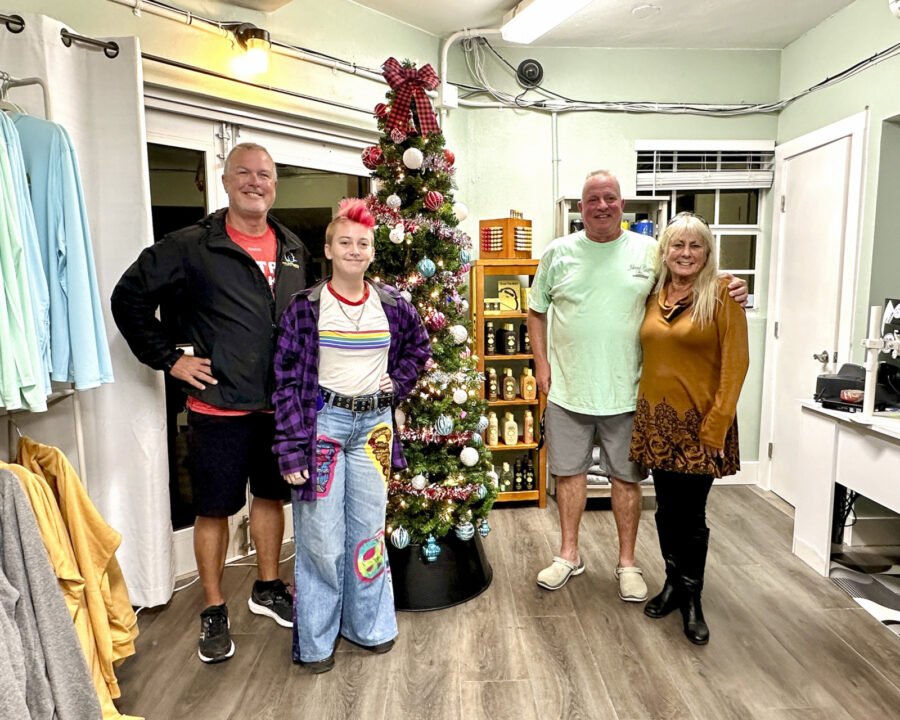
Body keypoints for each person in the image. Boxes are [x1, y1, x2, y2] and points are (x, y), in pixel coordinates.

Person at [111, 142, 310, 664]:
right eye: (243, 172)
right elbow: (127, 299)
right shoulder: (190, 246)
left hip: (278, 408)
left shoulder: (292, 247)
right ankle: (214, 608)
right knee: (214, 509)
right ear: (222, 181)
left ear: (274, 184)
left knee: (271, 499)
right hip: (217, 407)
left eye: (264, 174)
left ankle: (267, 587)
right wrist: (170, 360)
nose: (255, 181)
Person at [527, 170, 747, 602]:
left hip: (630, 393)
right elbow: (536, 311)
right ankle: (568, 554)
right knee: (568, 475)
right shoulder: (558, 253)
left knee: (625, 480)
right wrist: (541, 365)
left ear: (622, 205)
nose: (602, 205)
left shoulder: (649, 253)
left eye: (610, 197)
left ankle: (627, 563)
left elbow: (691, 280)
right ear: (581, 207)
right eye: (593, 199)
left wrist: (732, 284)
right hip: (569, 391)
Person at [272, 198, 430, 674]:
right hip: (323, 428)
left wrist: (397, 381)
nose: (355, 250)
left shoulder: (393, 304)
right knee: (321, 541)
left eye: (363, 243)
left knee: (367, 534)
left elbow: (418, 349)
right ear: (328, 248)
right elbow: (284, 379)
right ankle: (317, 641)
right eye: (345, 242)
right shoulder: (306, 307)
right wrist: (289, 447)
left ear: (372, 251)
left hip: (375, 429)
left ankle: (368, 625)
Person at [629, 212, 749, 645]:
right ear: (664, 252)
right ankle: (672, 583)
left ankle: (692, 597)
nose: (685, 253)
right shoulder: (652, 295)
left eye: (695, 246)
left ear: (707, 253)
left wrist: (715, 428)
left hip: (701, 426)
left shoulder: (723, 295)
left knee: (691, 516)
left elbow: (736, 366)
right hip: (658, 422)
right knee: (665, 510)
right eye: (676, 245)